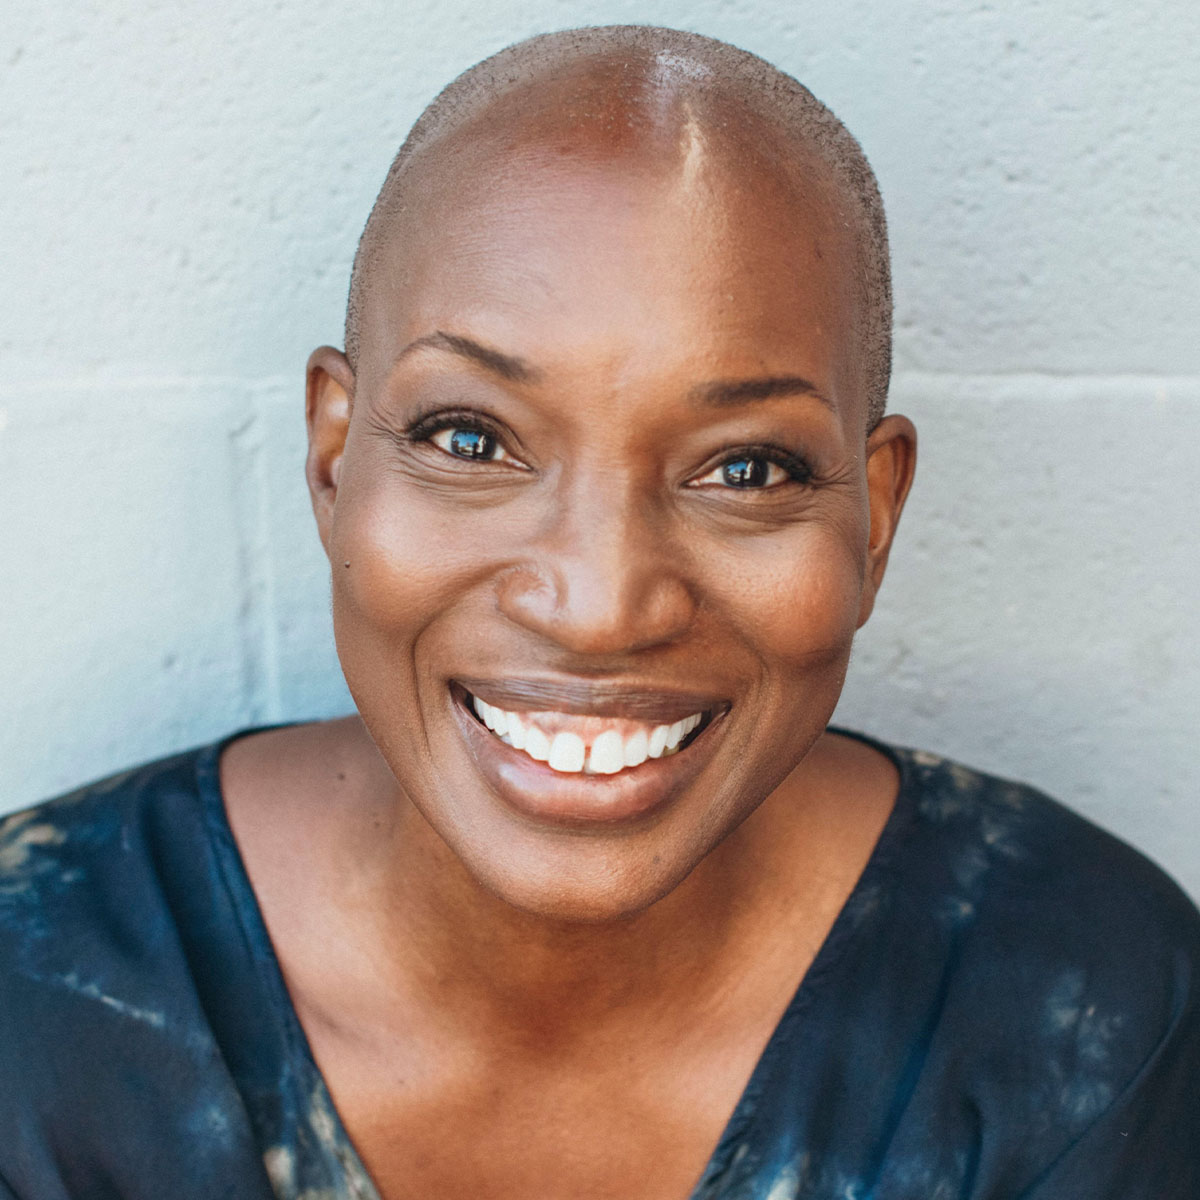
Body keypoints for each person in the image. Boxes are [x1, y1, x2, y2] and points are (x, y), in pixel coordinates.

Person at [1, 24, 1197, 1200]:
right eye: (470, 440)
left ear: (873, 516)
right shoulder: (35, 1011)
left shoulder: (1087, 1010)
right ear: (331, 462)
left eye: (746, 469)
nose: (600, 606)